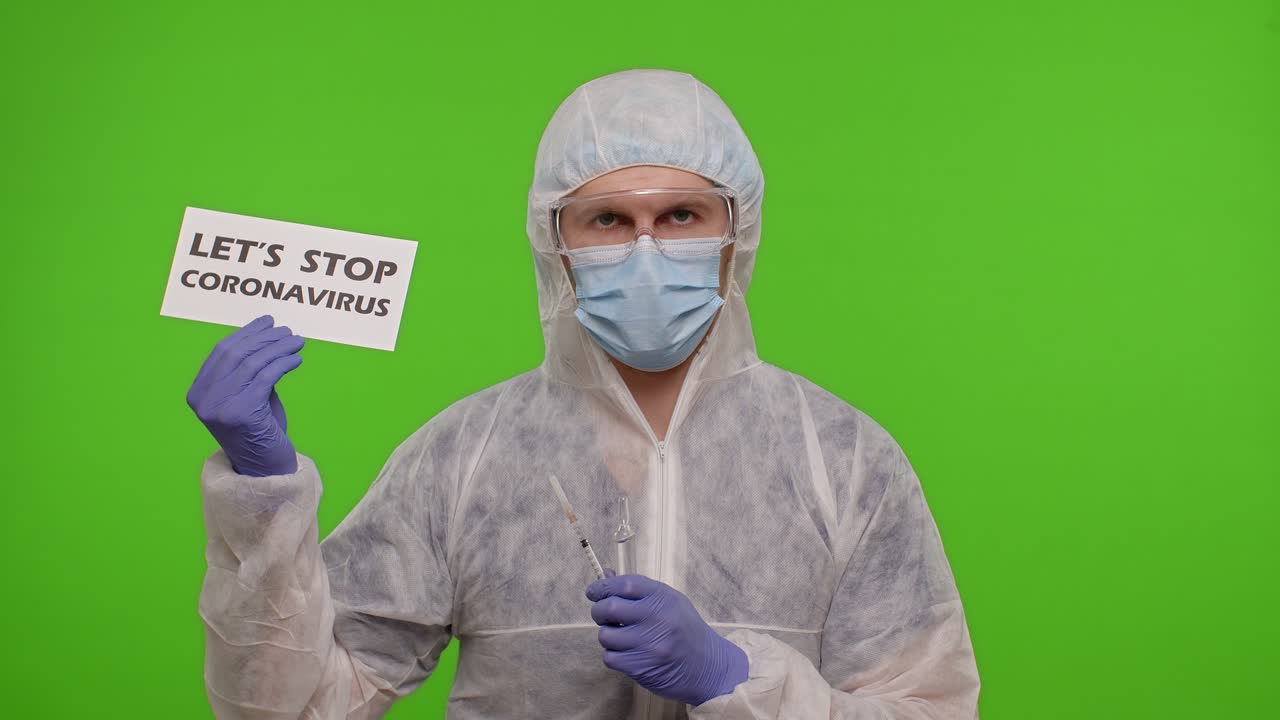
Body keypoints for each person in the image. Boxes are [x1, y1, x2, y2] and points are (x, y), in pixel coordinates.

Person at [188, 69, 981, 719]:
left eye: (680, 215)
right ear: (554, 243)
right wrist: (263, 496)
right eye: (606, 219)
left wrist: (738, 679)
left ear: (733, 236)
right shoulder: (465, 456)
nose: (645, 249)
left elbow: (933, 709)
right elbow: (294, 710)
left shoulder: (840, 459)